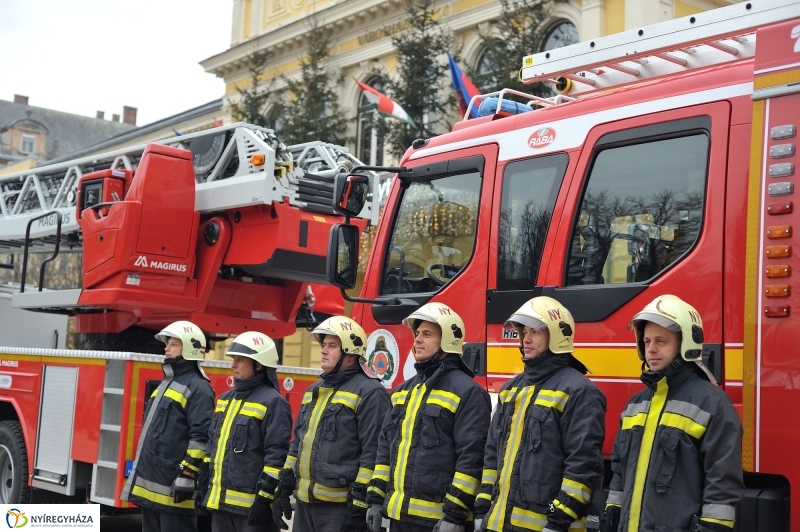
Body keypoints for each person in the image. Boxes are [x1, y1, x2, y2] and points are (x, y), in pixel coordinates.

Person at [601, 295, 744, 532]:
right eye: (646, 341)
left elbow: (722, 485)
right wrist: (611, 512)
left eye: (661, 341)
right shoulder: (635, 405)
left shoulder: (713, 404)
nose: (652, 349)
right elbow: (619, 471)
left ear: (685, 344)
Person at [473, 296, 606, 532]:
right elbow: (492, 455)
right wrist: (483, 509)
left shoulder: (579, 391)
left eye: (535, 332)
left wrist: (558, 522)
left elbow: (583, 466)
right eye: (525, 331)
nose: (526, 339)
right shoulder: (510, 390)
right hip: (497, 524)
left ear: (556, 336)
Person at [366, 302, 491, 532]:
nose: (417, 340)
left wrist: (455, 514)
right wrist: (375, 499)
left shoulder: (468, 392)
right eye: (417, 334)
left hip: (437, 522)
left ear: (447, 341)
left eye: (427, 334)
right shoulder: (403, 391)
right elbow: (385, 449)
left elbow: (472, 458)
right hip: (397, 516)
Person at [272, 316, 390, 532]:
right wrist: (284, 484)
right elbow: (297, 444)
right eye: (323, 345)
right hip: (305, 505)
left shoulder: (370, 393)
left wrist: (360, 502)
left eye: (332, 346)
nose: (324, 350)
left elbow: (373, 453)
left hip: (340, 509)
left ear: (351, 354)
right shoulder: (313, 391)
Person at [121, 320, 215, 532]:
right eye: (168, 344)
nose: (166, 348)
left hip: (174, 489)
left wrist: (188, 475)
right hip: (153, 486)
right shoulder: (167, 382)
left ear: (189, 349)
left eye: (173, 344)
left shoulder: (199, 388)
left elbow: (200, 437)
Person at [195, 331, 292, 532]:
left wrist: (264, 500)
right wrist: (203, 484)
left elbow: (277, 456)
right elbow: (212, 446)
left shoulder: (274, 403)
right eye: (233, 359)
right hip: (220, 505)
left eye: (239, 360)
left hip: (251, 511)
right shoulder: (225, 400)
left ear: (259, 365)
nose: (233, 365)